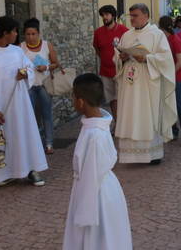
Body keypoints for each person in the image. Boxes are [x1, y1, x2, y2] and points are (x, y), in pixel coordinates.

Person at [62, 74, 133, 250]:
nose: (72, 100)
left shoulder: (94, 134)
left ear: (80, 102)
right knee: (106, 236)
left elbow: (89, 175)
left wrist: (83, 214)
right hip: (104, 187)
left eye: (73, 96)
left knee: (96, 236)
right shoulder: (98, 125)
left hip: (95, 194)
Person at [0, 16, 47, 186]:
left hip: (21, 105)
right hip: (1, 108)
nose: (17, 34)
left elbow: (29, 68)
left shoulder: (16, 51)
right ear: (4, 33)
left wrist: (25, 74)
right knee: (3, 139)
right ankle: (2, 174)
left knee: (25, 136)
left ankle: (31, 170)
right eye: (14, 31)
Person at [113, 4, 177, 164]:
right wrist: (122, 58)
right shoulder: (127, 35)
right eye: (131, 15)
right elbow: (117, 57)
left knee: (147, 115)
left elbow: (166, 59)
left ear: (146, 16)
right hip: (130, 83)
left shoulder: (157, 35)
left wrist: (148, 58)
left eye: (135, 15)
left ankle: (152, 155)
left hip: (148, 83)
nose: (132, 18)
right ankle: (131, 156)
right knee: (130, 113)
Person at [21, 18, 61, 155]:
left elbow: (56, 63)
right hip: (29, 86)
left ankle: (49, 143)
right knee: (31, 116)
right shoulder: (20, 48)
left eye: (33, 34)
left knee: (47, 115)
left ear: (38, 34)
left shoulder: (46, 45)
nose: (30, 37)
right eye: (28, 34)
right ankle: (35, 144)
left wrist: (47, 67)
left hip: (44, 84)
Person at [93, 5, 129, 123]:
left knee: (123, 98)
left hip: (121, 71)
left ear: (113, 16)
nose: (104, 17)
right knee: (112, 99)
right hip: (105, 72)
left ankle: (125, 124)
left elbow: (129, 49)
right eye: (103, 15)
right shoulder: (98, 32)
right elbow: (97, 49)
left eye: (107, 14)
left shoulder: (124, 31)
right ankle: (117, 123)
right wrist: (105, 59)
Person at [159, 16, 181, 146]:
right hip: (168, 76)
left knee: (180, 105)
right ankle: (173, 131)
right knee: (168, 104)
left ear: (161, 27)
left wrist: (169, 74)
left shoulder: (175, 40)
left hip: (177, 77)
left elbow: (180, 61)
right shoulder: (163, 40)